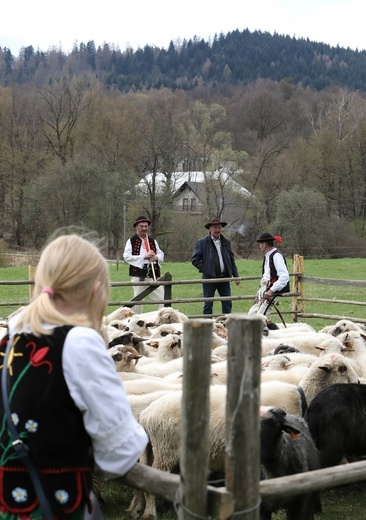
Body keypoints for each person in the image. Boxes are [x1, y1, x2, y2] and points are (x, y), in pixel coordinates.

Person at [0, 233, 148, 518]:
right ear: (96, 290)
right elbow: (120, 454)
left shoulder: (10, 341)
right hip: (56, 505)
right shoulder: (79, 342)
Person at [192, 217, 240, 316]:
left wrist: (236, 275)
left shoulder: (226, 242)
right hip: (209, 279)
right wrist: (206, 270)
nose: (217, 230)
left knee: (227, 303)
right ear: (210, 229)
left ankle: (226, 326)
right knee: (208, 304)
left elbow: (231, 259)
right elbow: (195, 260)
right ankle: (207, 328)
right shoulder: (202, 242)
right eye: (215, 227)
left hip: (224, 277)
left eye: (219, 227)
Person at [123, 216, 165, 314]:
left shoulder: (152, 241)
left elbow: (161, 254)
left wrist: (155, 258)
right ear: (136, 227)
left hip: (153, 275)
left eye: (146, 226)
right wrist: (144, 256)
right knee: (137, 302)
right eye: (141, 226)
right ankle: (136, 322)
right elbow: (127, 257)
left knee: (162, 300)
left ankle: (164, 320)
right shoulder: (131, 241)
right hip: (138, 276)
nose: (144, 229)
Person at [248, 232, 290, 317]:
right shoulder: (268, 256)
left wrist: (271, 290)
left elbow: (284, 276)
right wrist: (260, 291)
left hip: (274, 291)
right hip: (265, 288)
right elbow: (267, 275)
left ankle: (261, 330)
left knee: (260, 317)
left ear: (265, 244)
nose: (260, 246)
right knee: (251, 314)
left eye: (260, 243)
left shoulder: (276, 256)